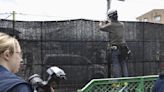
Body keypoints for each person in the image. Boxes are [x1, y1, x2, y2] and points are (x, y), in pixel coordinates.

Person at [99, 10, 131, 78]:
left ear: (110, 17)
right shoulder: (122, 25)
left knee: (116, 65)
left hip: (115, 48)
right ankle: (126, 82)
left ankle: (118, 83)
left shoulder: (111, 25)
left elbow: (101, 28)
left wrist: (101, 23)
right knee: (123, 64)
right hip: (123, 48)